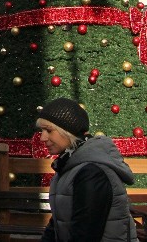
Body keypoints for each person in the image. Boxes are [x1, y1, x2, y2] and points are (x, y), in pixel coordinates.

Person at [37, 97, 136, 242]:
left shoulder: (91, 172)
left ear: (67, 131)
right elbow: (59, 222)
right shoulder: (69, 165)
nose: (42, 138)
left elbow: (85, 234)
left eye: (49, 131)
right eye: (41, 130)